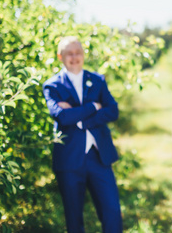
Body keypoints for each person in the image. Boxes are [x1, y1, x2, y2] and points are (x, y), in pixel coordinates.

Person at [43, 36, 122, 233]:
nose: (74, 57)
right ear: (60, 56)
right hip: (68, 160)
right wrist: (93, 107)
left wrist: (79, 119)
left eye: (78, 52)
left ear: (83, 55)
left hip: (99, 157)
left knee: (112, 211)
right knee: (73, 217)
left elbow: (113, 110)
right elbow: (61, 116)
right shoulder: (52, 85)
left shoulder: (97, 80)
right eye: (69, 53)